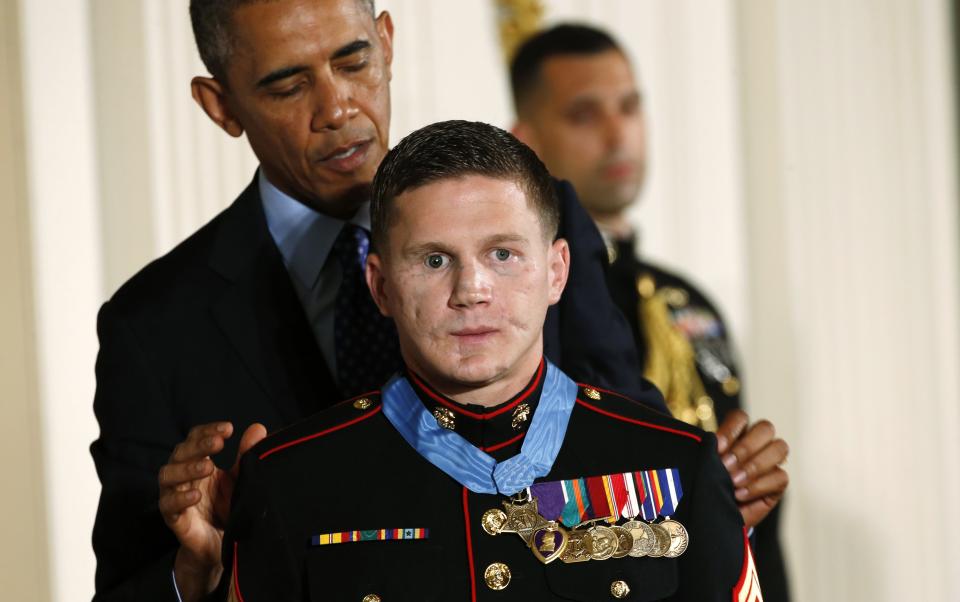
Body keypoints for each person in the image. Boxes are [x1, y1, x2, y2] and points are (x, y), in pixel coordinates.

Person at [89, 2, 655, 600]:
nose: (337, 109)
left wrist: (710, 496)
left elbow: (634, 461)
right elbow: (128, 581)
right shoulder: (153, 326)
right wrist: (195, 572)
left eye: (353, 61)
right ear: (221, 104)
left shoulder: (534, 224)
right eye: (288, 85)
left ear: (386, 43)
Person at [222, 119, 761, 601]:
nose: (471, 290)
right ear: (380, 286)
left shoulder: (680, 463)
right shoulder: (288, 482)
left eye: (502, 254)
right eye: (435, 260)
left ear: (556, 272)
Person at [509, 23, 790, 599]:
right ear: (527, 139)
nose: (619, 135)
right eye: (585, 114)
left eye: (629, 107)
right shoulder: (519, 306)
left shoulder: (688, 303)